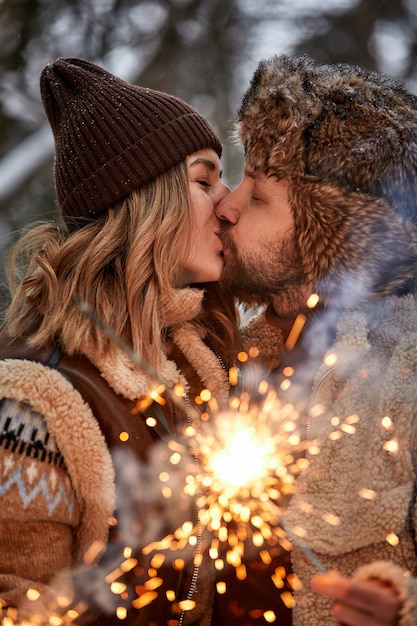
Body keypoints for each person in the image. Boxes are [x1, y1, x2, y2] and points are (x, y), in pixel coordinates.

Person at [0, 57, 242, 625]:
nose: (227, 205)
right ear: (143, 200)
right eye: (204, 180)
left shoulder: (194, 357)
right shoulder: (32, 401)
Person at [215, 53, 417, 626]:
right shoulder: (225, 355)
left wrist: (400, 609)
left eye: (258, 198)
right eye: (241, 176)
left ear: (329, 236)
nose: (227, 205)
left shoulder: (404, 377)